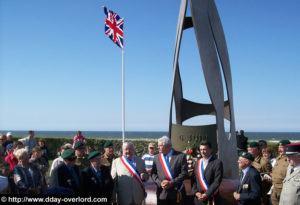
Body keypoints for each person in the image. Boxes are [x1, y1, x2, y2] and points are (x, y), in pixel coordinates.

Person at [151, 136, 188, 205]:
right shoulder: (156, 157)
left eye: (160, 145)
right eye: (158, 145)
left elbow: (184, 173)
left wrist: (172, 183)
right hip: (162, 193)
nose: (158, 147)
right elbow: (153, 173)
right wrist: (160, 183)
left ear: (168, 146)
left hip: (177, 193)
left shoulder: (180, 156)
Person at [270, 140, 290, 205]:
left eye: (281, 147)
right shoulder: (278, 159)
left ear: (287, 148)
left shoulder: (290, 160)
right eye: (279, 147)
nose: (279, 150)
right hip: (274, 188)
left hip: (284, 189)